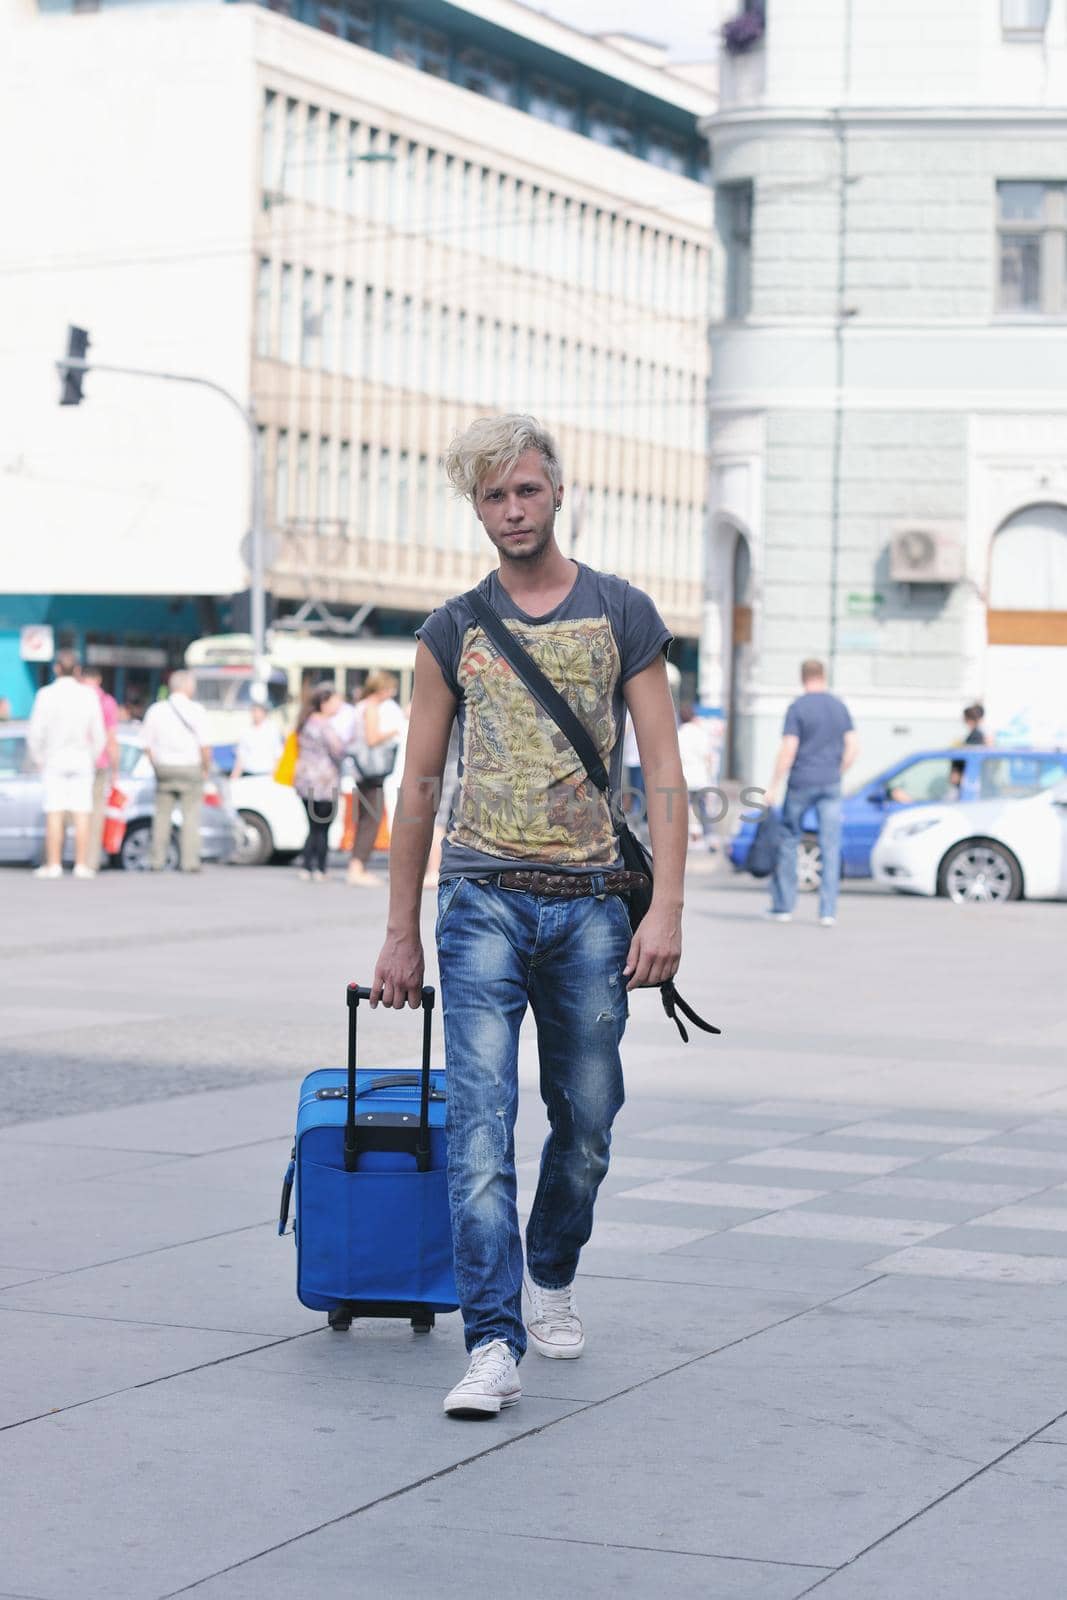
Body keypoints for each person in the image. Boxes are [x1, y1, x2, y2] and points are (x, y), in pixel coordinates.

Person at [370, 414, 686, 1419]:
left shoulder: (620, 612)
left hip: (593, 908)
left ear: (557, 493)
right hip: (478, 905)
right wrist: (397, 931)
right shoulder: (450, 628)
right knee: (476, 1127)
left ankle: (549, 1269)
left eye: (527, 492)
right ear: (477, 507)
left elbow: (667, 780)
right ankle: (491, 1340)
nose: (512, 511)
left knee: (587, 1122)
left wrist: (664, 911)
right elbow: (418, 784)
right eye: (494, 497)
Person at [765, 659, 858, 928]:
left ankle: (783, 906)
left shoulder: (798, 707)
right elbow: (853, 747)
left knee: (789, 840)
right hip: (830, 783)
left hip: (801, 782)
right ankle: (827, 911)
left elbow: (789, 749)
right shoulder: (839, 707)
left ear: (802, 677)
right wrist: (837, 771)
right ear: (823, 676)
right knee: (830, 845)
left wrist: (773, 784)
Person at [27, 649, 106, 878]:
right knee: (82, 812)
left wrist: (39, 759)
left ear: (56, 668)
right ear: (78, 670)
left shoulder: (45, 695)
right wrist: (91, 756)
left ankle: (54, 864)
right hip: (81, 758)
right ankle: (81, 864)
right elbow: (98, 733)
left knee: (54, 811)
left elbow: (35, 733)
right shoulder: (89, 696)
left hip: (54, 758)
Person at [141, 670, 211, 872]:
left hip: (164, 768)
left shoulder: (156, 710)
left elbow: (146, 744)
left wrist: (156, 764)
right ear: (188, 687)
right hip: (190, 767)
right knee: (191, 815)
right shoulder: (197, 710)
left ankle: (157, 861)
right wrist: (205, 768)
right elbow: (205, 746)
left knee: (162, 815)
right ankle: (190, 862)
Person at [345, 670, 403, 888]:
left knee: (365, 818)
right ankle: (357, 867)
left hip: (361, 771)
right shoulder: (370, 707)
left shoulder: (361, 705)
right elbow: (371, 738)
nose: (392, 693)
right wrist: (393, 731)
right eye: (390, 689)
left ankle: (357, 865)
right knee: (371, 819)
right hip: (370, 771)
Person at [293, 683, 344, 881]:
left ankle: (307, 865)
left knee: (313, 825)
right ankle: (320, 868)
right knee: (323, 826)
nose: (339, 705)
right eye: (336, 701)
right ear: (324, 703)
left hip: (304, 780)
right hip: (324, 782)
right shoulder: (324, 725)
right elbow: (338, 749)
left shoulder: (305, 721)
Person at [81, 665, 120, 873]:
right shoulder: (107, 702)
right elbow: (111, 739)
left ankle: (56, 859)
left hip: (73, 761)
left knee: (64, 812)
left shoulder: (73, 700)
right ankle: (90, 861)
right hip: (99, 763)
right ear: (99, 680)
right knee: (95, 814)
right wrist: (116, 770)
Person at [677, 704, 717, 850]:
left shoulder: (679, 734)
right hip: (701, 777)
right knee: (703, 808)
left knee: (684, 809)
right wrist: (711, 775)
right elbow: (708, 756)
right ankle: (710, 838)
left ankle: (688, 838)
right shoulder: (700, 733)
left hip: (685, 777)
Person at [231, 701, 284, 779]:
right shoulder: (246, 731)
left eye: (258, 711)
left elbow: (278, 755)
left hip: (267, 775)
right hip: (248, 774)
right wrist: (234, 777)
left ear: (264, 712)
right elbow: (241, 757)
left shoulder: (272, 730)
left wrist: (276, 775)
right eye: (253, 711)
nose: (255, 714)